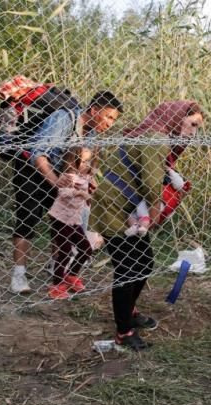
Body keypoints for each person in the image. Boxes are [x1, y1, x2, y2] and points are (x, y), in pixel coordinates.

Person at [89, 100, 204, 351]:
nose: (194, 132)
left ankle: (128, 311)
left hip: (126, 208)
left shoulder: (156, 135)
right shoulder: (156, 139)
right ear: (177, 118)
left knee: (143, 262)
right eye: (192, 124)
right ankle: (123, 332)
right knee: (127, 268)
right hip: (114, 208)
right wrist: (152, 217)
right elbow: (152, 186)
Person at [8, 90, 123, 294]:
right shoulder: (64, 118)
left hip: (62, 179)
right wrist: (56, 183)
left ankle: (56, 267)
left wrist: (90, 184)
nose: (110, 123)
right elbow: (38, 154)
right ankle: (19, 275)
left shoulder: (92, 133)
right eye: (108, 117)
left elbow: (83, 165)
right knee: (28, 220)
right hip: (32, 172)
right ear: (94, 109)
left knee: (63, 224)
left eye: (114, 120)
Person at [46, 146, 96, 299]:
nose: (87, 164)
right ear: (73, 161)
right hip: (60, 219)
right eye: (83, 161)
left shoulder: (87, 178)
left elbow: (91, 192)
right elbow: (63, 192)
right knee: (65, 252)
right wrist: (80, 193)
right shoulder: (69, 176)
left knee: (86, 248)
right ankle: (57, 285)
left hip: (74, 220)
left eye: (89, 161)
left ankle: (71, 275)